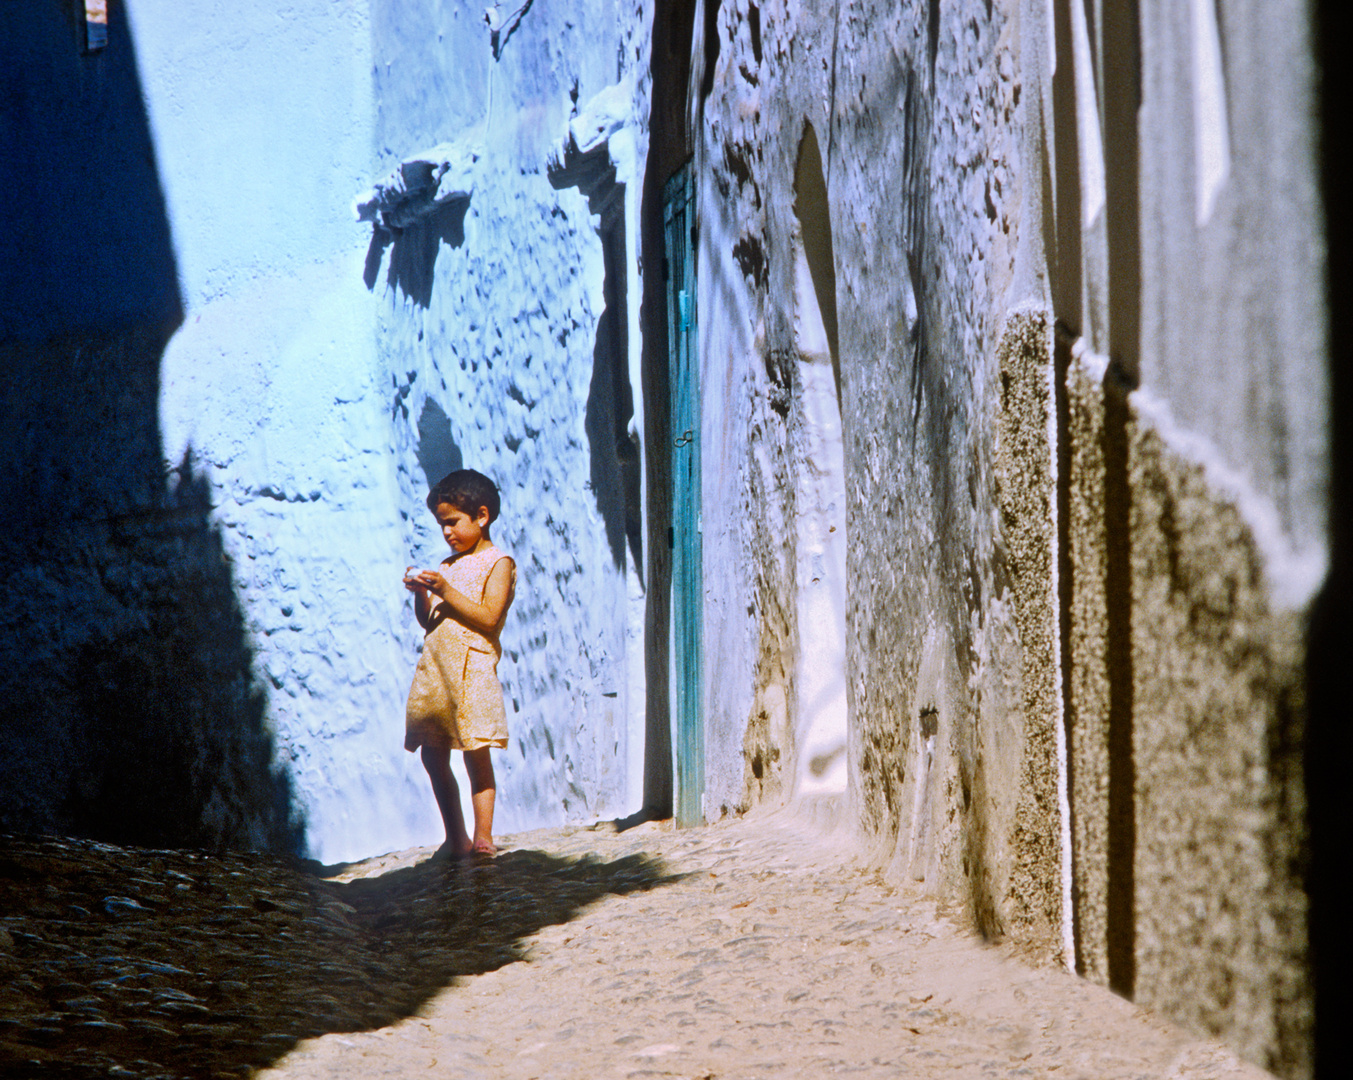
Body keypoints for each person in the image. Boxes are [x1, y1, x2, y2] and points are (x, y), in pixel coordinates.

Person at [402, 469, 516, 857]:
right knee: (433, 755)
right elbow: (429, 620)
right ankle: (456, 836)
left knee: (475, 752)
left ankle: (483, 836)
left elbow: (489, 617)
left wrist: (445, 590)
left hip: (472, 670)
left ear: (481, 516)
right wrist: (422, 593)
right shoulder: (447, 567)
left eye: (452, 522)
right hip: (438, 671)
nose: (447, 532)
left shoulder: (498, 562)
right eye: (441, 525)